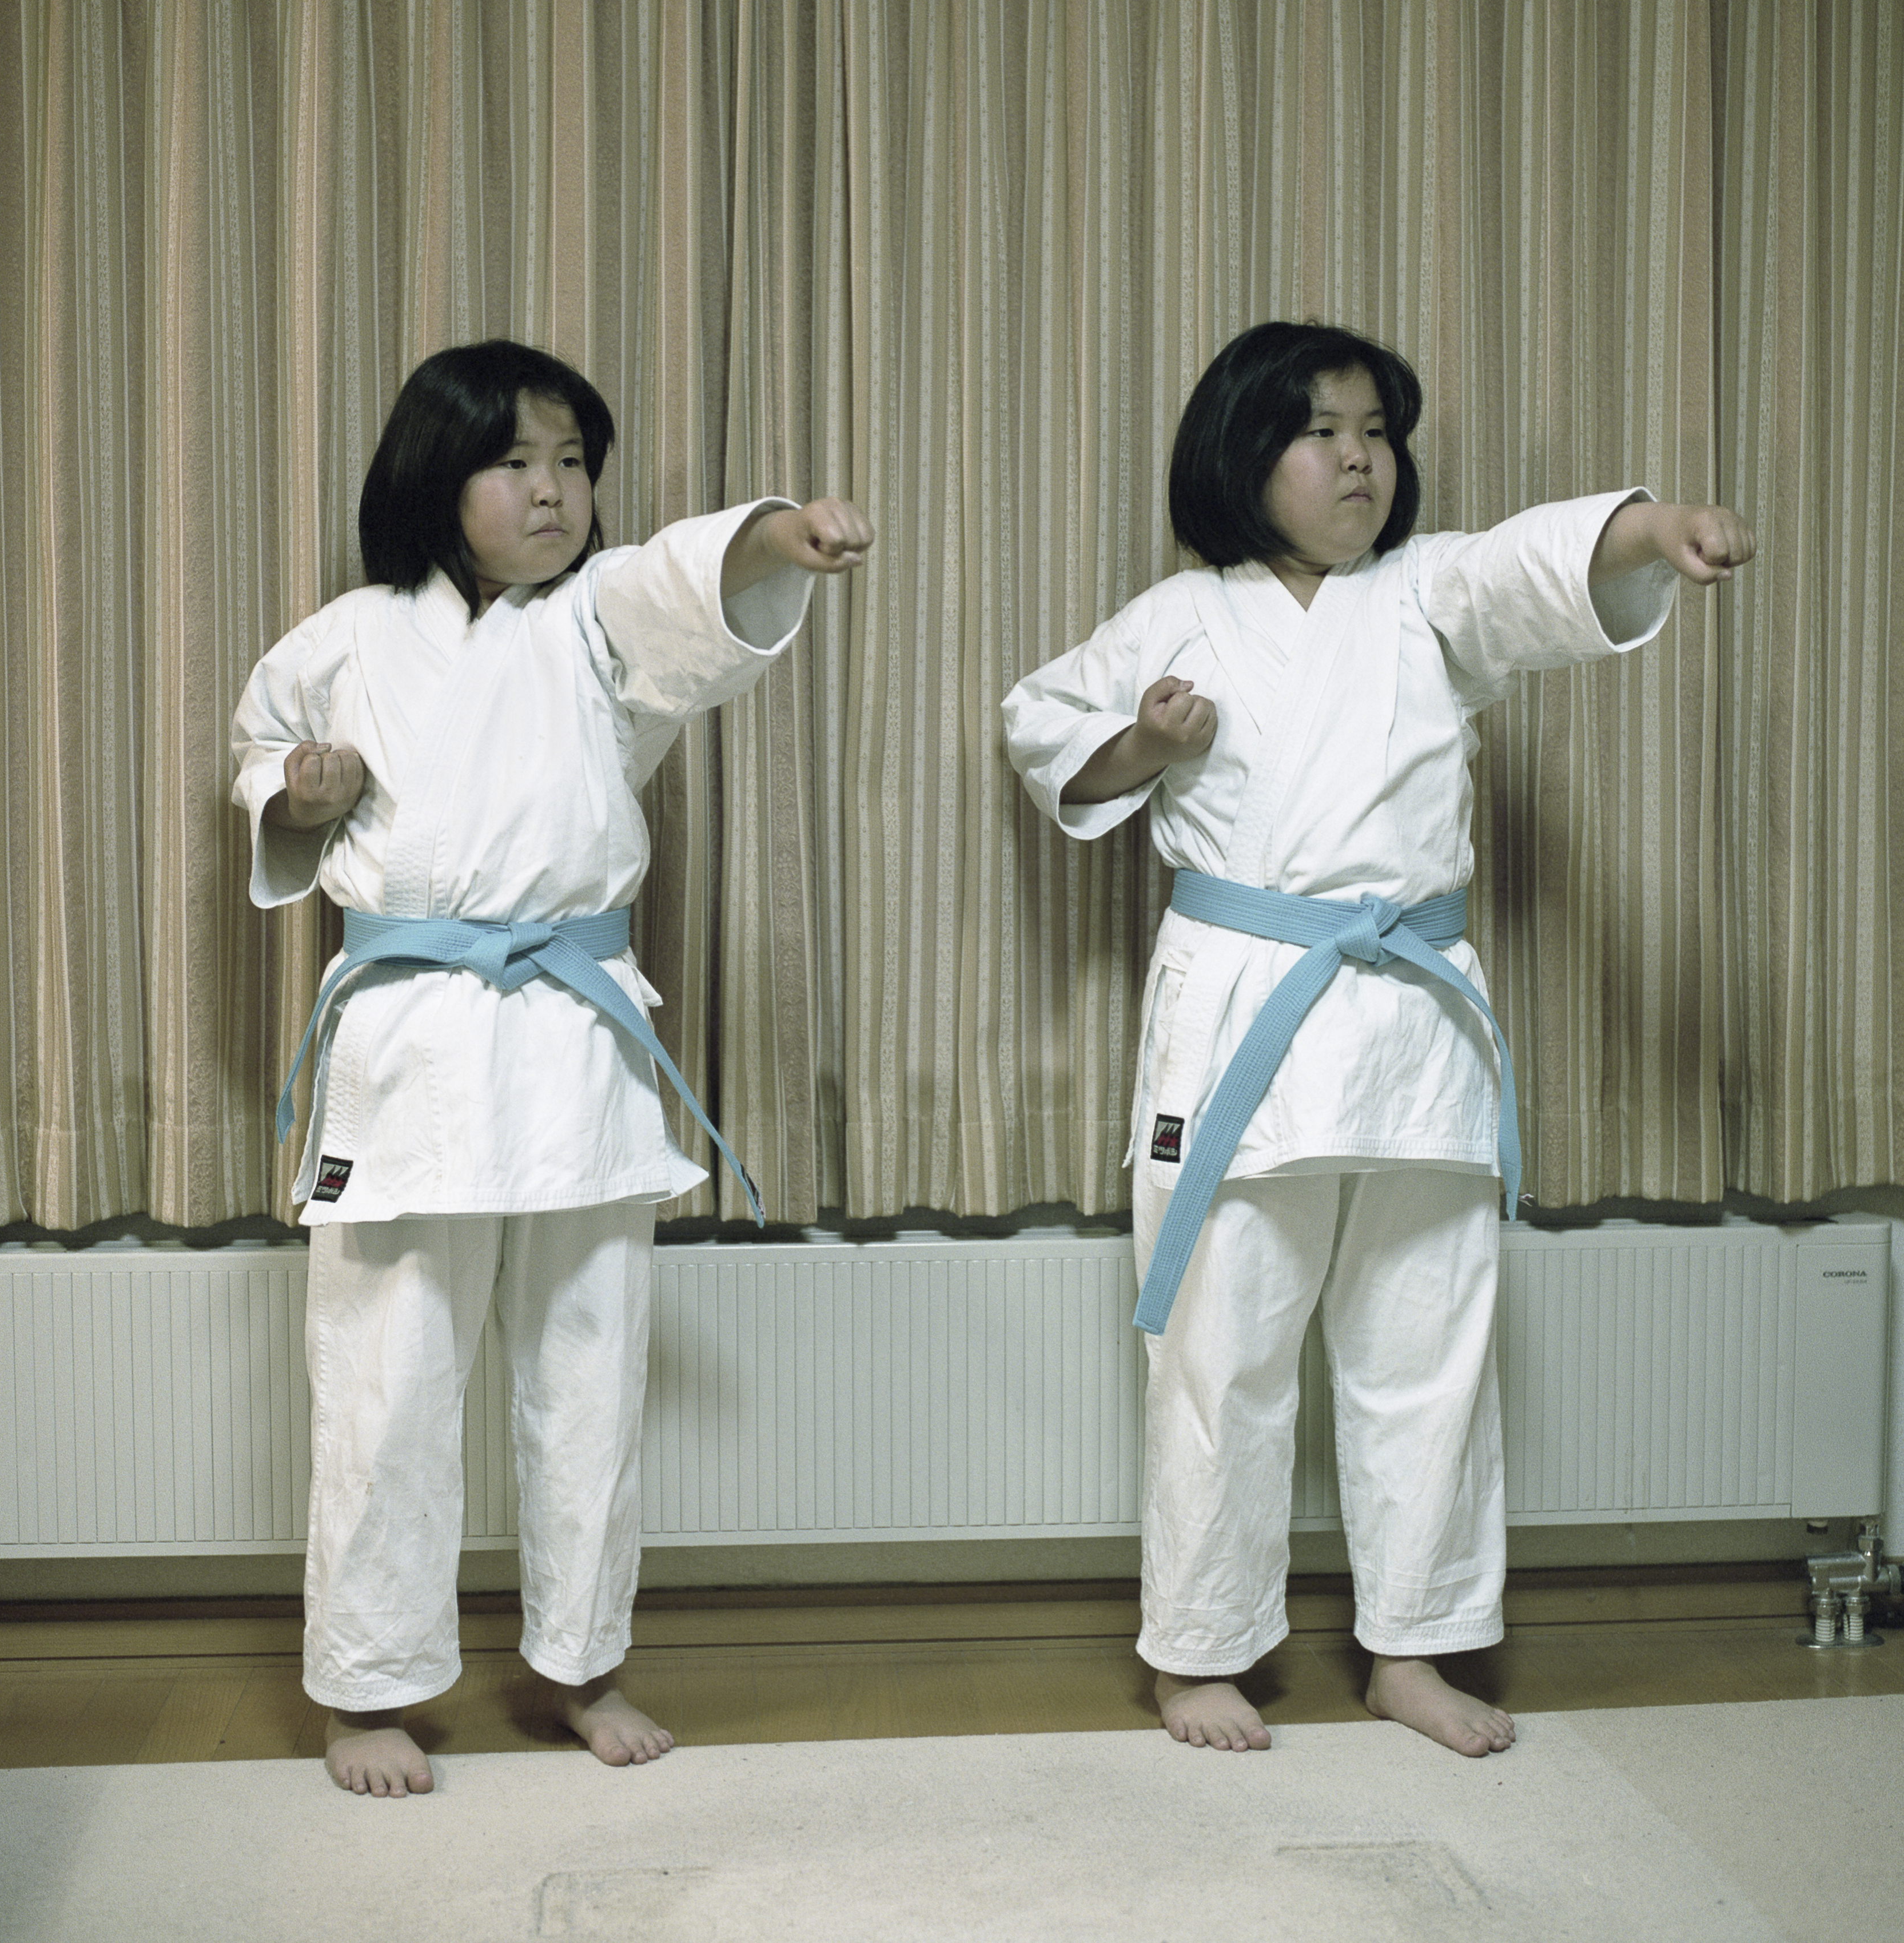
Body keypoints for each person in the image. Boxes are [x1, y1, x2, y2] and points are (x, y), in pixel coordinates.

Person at [1002, 320, 1752, 1758]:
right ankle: (1203, 1649)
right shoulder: (1179, 614)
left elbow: (1529, 569)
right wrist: (1150, 748)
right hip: (1242, 1015)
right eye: (1320, 432)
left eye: (1375, 433)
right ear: (1242, 455)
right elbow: (1041, 733)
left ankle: (1415, 1643)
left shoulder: (1423, 594)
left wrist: (1652, 526)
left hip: (1411, 1016)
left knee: (1429, 1349)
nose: (1358, 459)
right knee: (1222, 1350)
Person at [232, 339, 871, 1797]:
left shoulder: (594, 622)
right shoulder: (339, 640)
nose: (554, 491)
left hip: (575, 1030)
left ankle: (582, 1660)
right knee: (387, 1380)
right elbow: (264, 763)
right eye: (516, 461)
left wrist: (777, 533)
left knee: (589, 1369)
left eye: (574, 462)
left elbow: (682, 586)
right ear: (433, 474)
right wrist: (298, 794)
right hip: (409, 1043)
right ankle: (369, 1686)